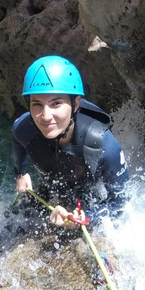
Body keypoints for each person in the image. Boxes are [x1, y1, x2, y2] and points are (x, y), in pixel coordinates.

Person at [12, 55, 129, 229]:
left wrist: (84, 218)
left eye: (56, 103)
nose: (45, 116)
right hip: (51, 188)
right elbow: (16, 140)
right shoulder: (23, 128)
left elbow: (121, 204)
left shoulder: (103, 145)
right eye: (37, 104)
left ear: (75, 104)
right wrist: (20, 173)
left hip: (89, 198)